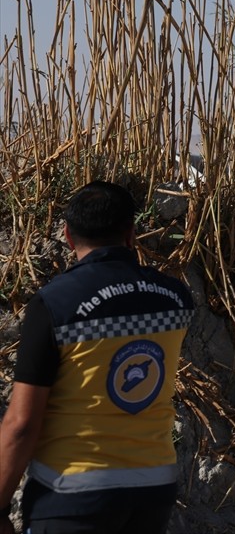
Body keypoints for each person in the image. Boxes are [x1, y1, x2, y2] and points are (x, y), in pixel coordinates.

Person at [0, 182, 194, 534]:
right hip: (153, 491)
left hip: (72, 495)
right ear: (131, 234)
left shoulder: (55, 305)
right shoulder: (175, 299)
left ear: (67, 236)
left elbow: (22, 423)